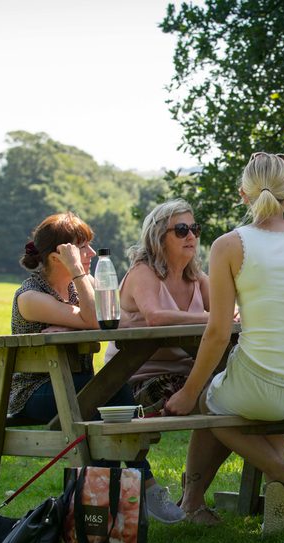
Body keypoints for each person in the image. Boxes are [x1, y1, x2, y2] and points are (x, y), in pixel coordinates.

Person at [164, 152, 284, 535]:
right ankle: (275, 516)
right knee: (264, 397)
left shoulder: (229, 246)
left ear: (243, 193)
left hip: (262, 388)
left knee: (208, 403)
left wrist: (189, 391)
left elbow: (218, 332)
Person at [8, 211, 186, 524]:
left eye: (90, 247)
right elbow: (95, 320)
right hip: (35, 394)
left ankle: (116, 504)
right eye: (82, 249)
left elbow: (107, 319)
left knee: (109, 399)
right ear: (57, 255)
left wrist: (80, 311)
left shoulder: (81, 288)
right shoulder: (30, 296)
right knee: (109, 400)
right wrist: (79, 276)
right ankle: (141, 488)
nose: (91, 254)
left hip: (80, 387)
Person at [103, 199, 229, 526]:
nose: (191, 236)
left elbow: (225, 318)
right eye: (182, 230)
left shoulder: (198, 278)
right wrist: (209, 317)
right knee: (218, 400)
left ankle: (193, 497)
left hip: (187, 377)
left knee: (236, 397)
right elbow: (156, 317)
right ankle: (185, 497)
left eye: (195, 229)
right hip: (135, 382)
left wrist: (218, 316)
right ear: (159, 237)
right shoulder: (142, 273)